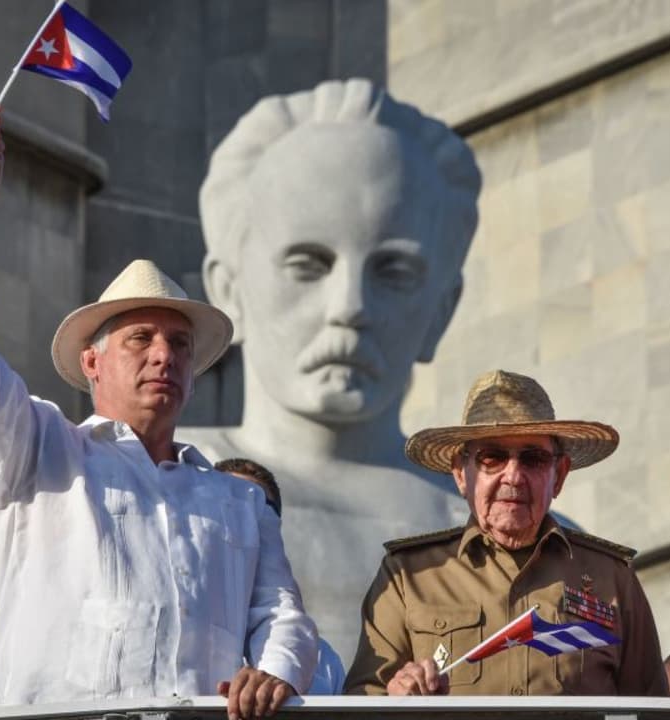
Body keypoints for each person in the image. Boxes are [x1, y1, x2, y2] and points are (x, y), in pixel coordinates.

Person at [0, 105, 317, 717]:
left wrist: (274, 672)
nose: (163, 355)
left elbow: (283, 614)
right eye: (141, 339)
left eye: (179, 344)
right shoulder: (39, 449)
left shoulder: (239, 504)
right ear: (92, 363)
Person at [179, 78, 481, 655]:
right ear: (228, 289)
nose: (350, 307)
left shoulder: (526, 539)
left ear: (442, 309)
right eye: (308, 264)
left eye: (393, 271)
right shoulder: (133, 486)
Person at [345, 369, 668, 696]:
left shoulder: (611, 577)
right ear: (460, 473)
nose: (513, 476)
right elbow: (360, 704)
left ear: (559, 475)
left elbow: (652, 708)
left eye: (533, 459)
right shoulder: (409, 577)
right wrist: (397, 700)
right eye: (492, 457)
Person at [215, 457, 345, 695]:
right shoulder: (188, 644)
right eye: (231, 504)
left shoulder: (322, 661)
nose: (248, 517)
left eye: (262, 507)